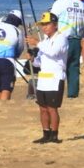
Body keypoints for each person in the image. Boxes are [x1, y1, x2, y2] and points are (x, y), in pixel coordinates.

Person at [26, 11, 69, 144]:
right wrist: (32, 59)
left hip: (55, 78)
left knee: (52, 108)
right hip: (43, 79)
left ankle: (54, 135)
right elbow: (39, 62)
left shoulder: (61, 38)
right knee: (42, 108)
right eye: (42, 25)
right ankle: (46, 133)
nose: (44, 27)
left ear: (55, 25)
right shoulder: (45, 41)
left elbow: (53, 52)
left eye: (47, 24)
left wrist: (37, 43)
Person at [51, 0, 84, 98]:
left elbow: (51, 20)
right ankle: (73, 94)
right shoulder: (83, 5)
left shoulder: (59, 3)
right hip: (76, 40)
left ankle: (55, 93)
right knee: (73, 68)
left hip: (62, 39)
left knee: (58, 67)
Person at [0, 9, 24, 100]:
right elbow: (20, 48)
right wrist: (15, 55)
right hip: (7, 61)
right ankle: (3, 107)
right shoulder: (17, 31)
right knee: (7, 88)